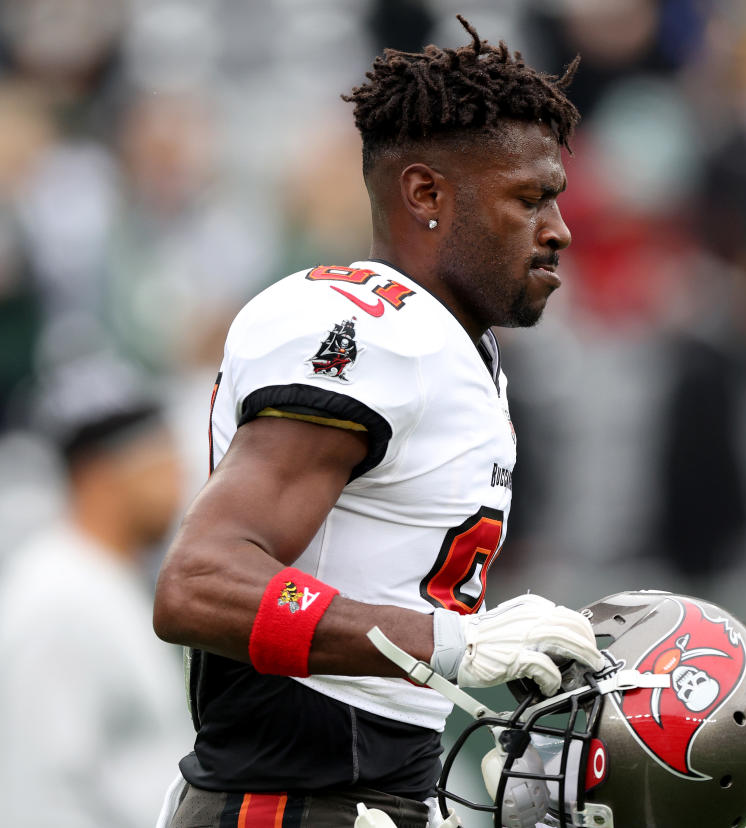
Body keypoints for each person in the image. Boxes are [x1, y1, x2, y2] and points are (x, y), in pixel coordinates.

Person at [151, 17, 601, 828]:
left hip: (362, 795)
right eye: (528, 199)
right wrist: (451, 644)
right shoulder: (373, 333)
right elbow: (199, 583)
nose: (558, 230)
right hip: (288, 801)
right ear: (427, 194)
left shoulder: (451, 343)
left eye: (556, 200)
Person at [0, 357, 192, 828]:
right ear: (102, 473)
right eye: (161, 455)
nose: (178, 478)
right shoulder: (57, 599)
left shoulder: (97, 580)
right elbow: (41, 801)